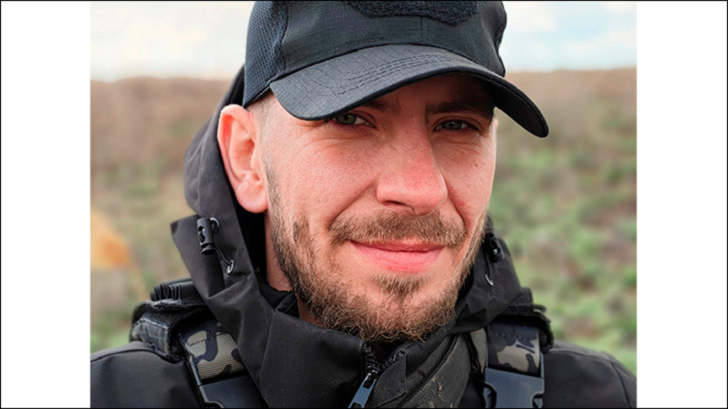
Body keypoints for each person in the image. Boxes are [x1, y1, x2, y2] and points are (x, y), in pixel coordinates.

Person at [91, 2, 636, 407]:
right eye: (351, 119)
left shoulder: (601, 396)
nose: (420, 190)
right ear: (247, 157)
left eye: (456, 125)